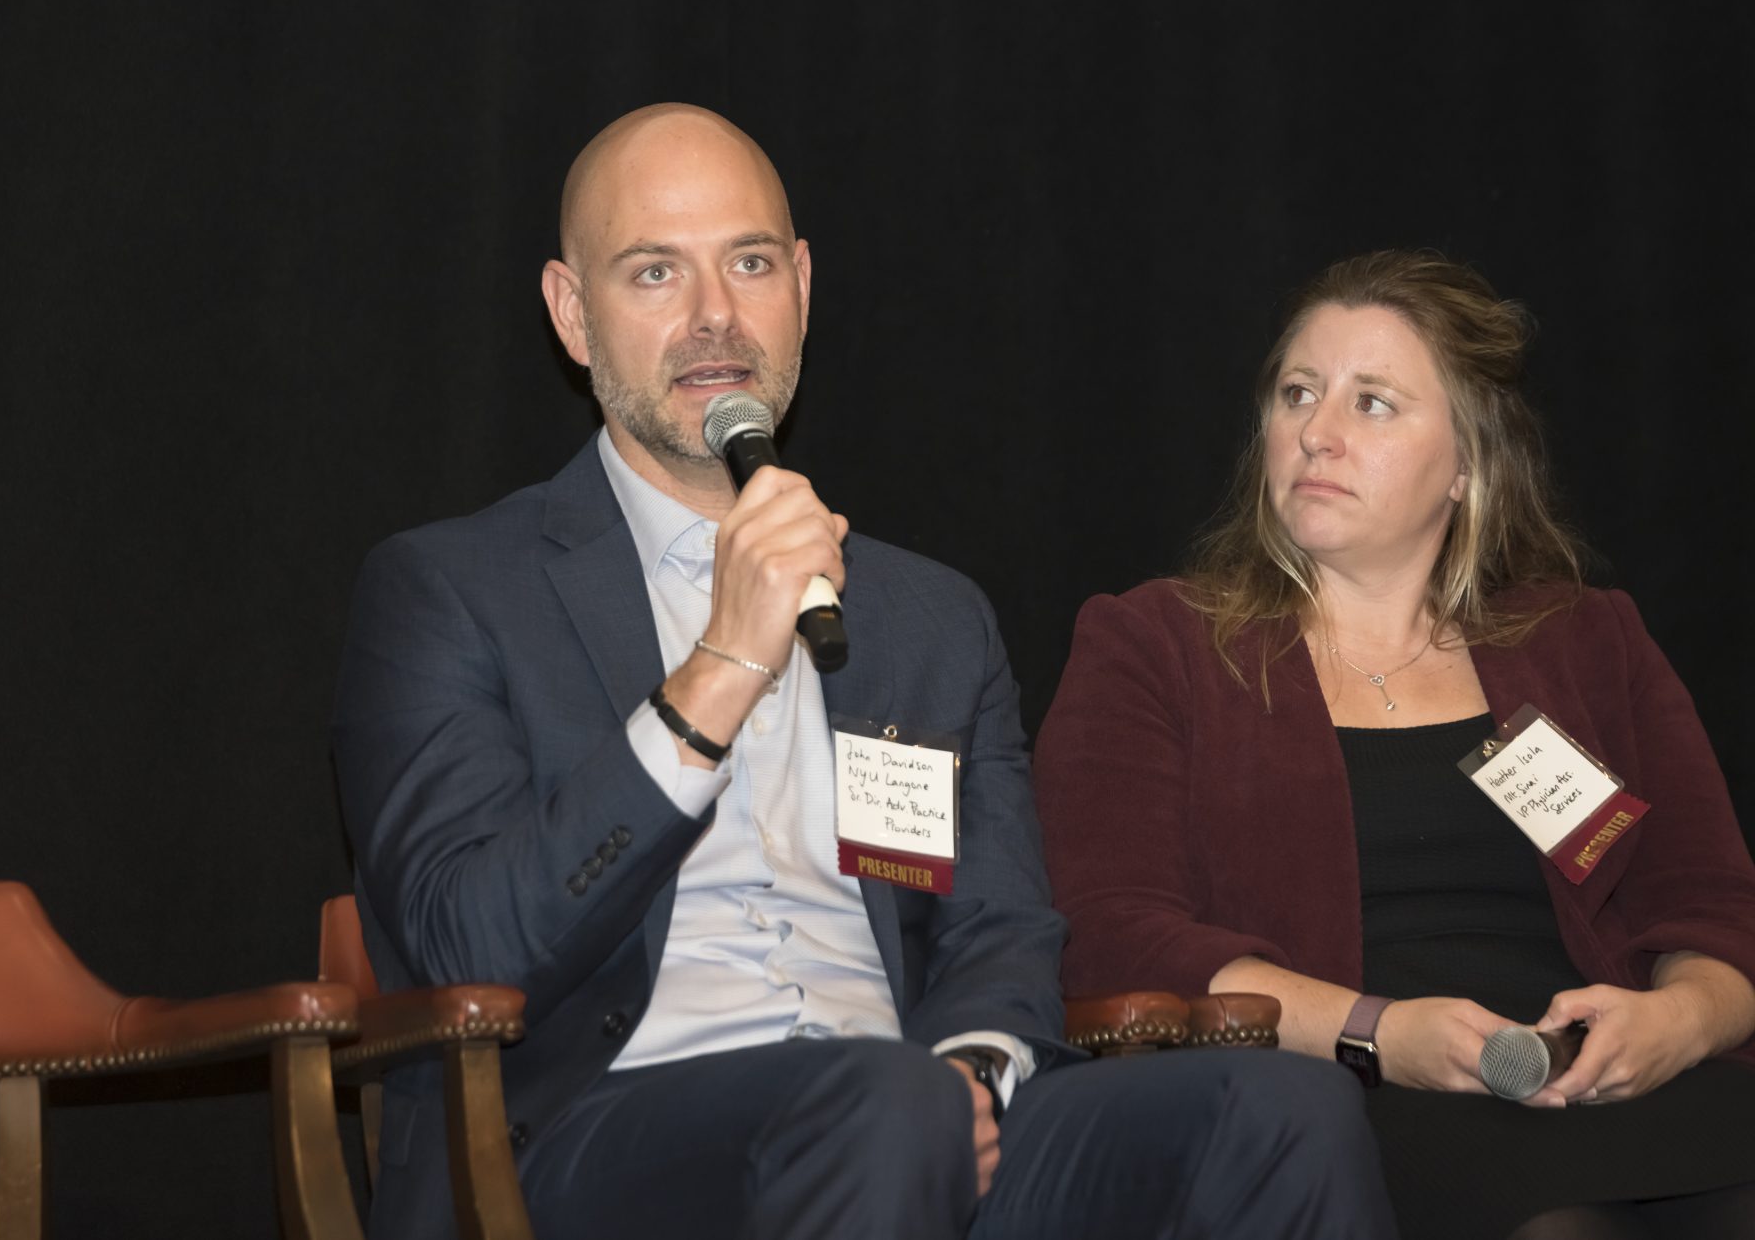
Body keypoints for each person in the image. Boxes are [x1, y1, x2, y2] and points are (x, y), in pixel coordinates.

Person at [331, 103, 1396, 1240]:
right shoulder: (453, 590)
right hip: (591, 1141)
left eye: (750, 264)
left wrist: (972, 1076)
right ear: (571, 313)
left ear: (801, 286)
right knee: (879, 1103)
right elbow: (469, 944)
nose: (714, 315)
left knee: (1282, 1111)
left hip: (912, 1116)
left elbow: (999, 929)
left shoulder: (926, 618)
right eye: (655, 272)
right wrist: (723, 663)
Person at [1035, 249, 1755, 1240]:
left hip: (1615, 1083)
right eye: (1298, 393)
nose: (1316, 432)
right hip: (1353, 1092)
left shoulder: (1588, 641)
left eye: (1371, 403)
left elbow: (1716, 909)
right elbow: (1109, 934)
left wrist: (1675, 1022)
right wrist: (1378, 1032)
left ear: (1467, 465)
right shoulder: (1157, 645)